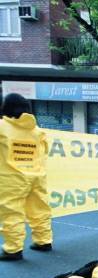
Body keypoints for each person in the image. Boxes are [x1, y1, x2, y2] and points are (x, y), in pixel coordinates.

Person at [0, 93, 53, 261]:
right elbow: (45, 151)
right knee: (40, 209)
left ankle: (13, 249)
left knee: (12, 212)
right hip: (37, 176)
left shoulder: (2, 127)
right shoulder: (37, 131)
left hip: (11, 178)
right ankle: (44, 241)